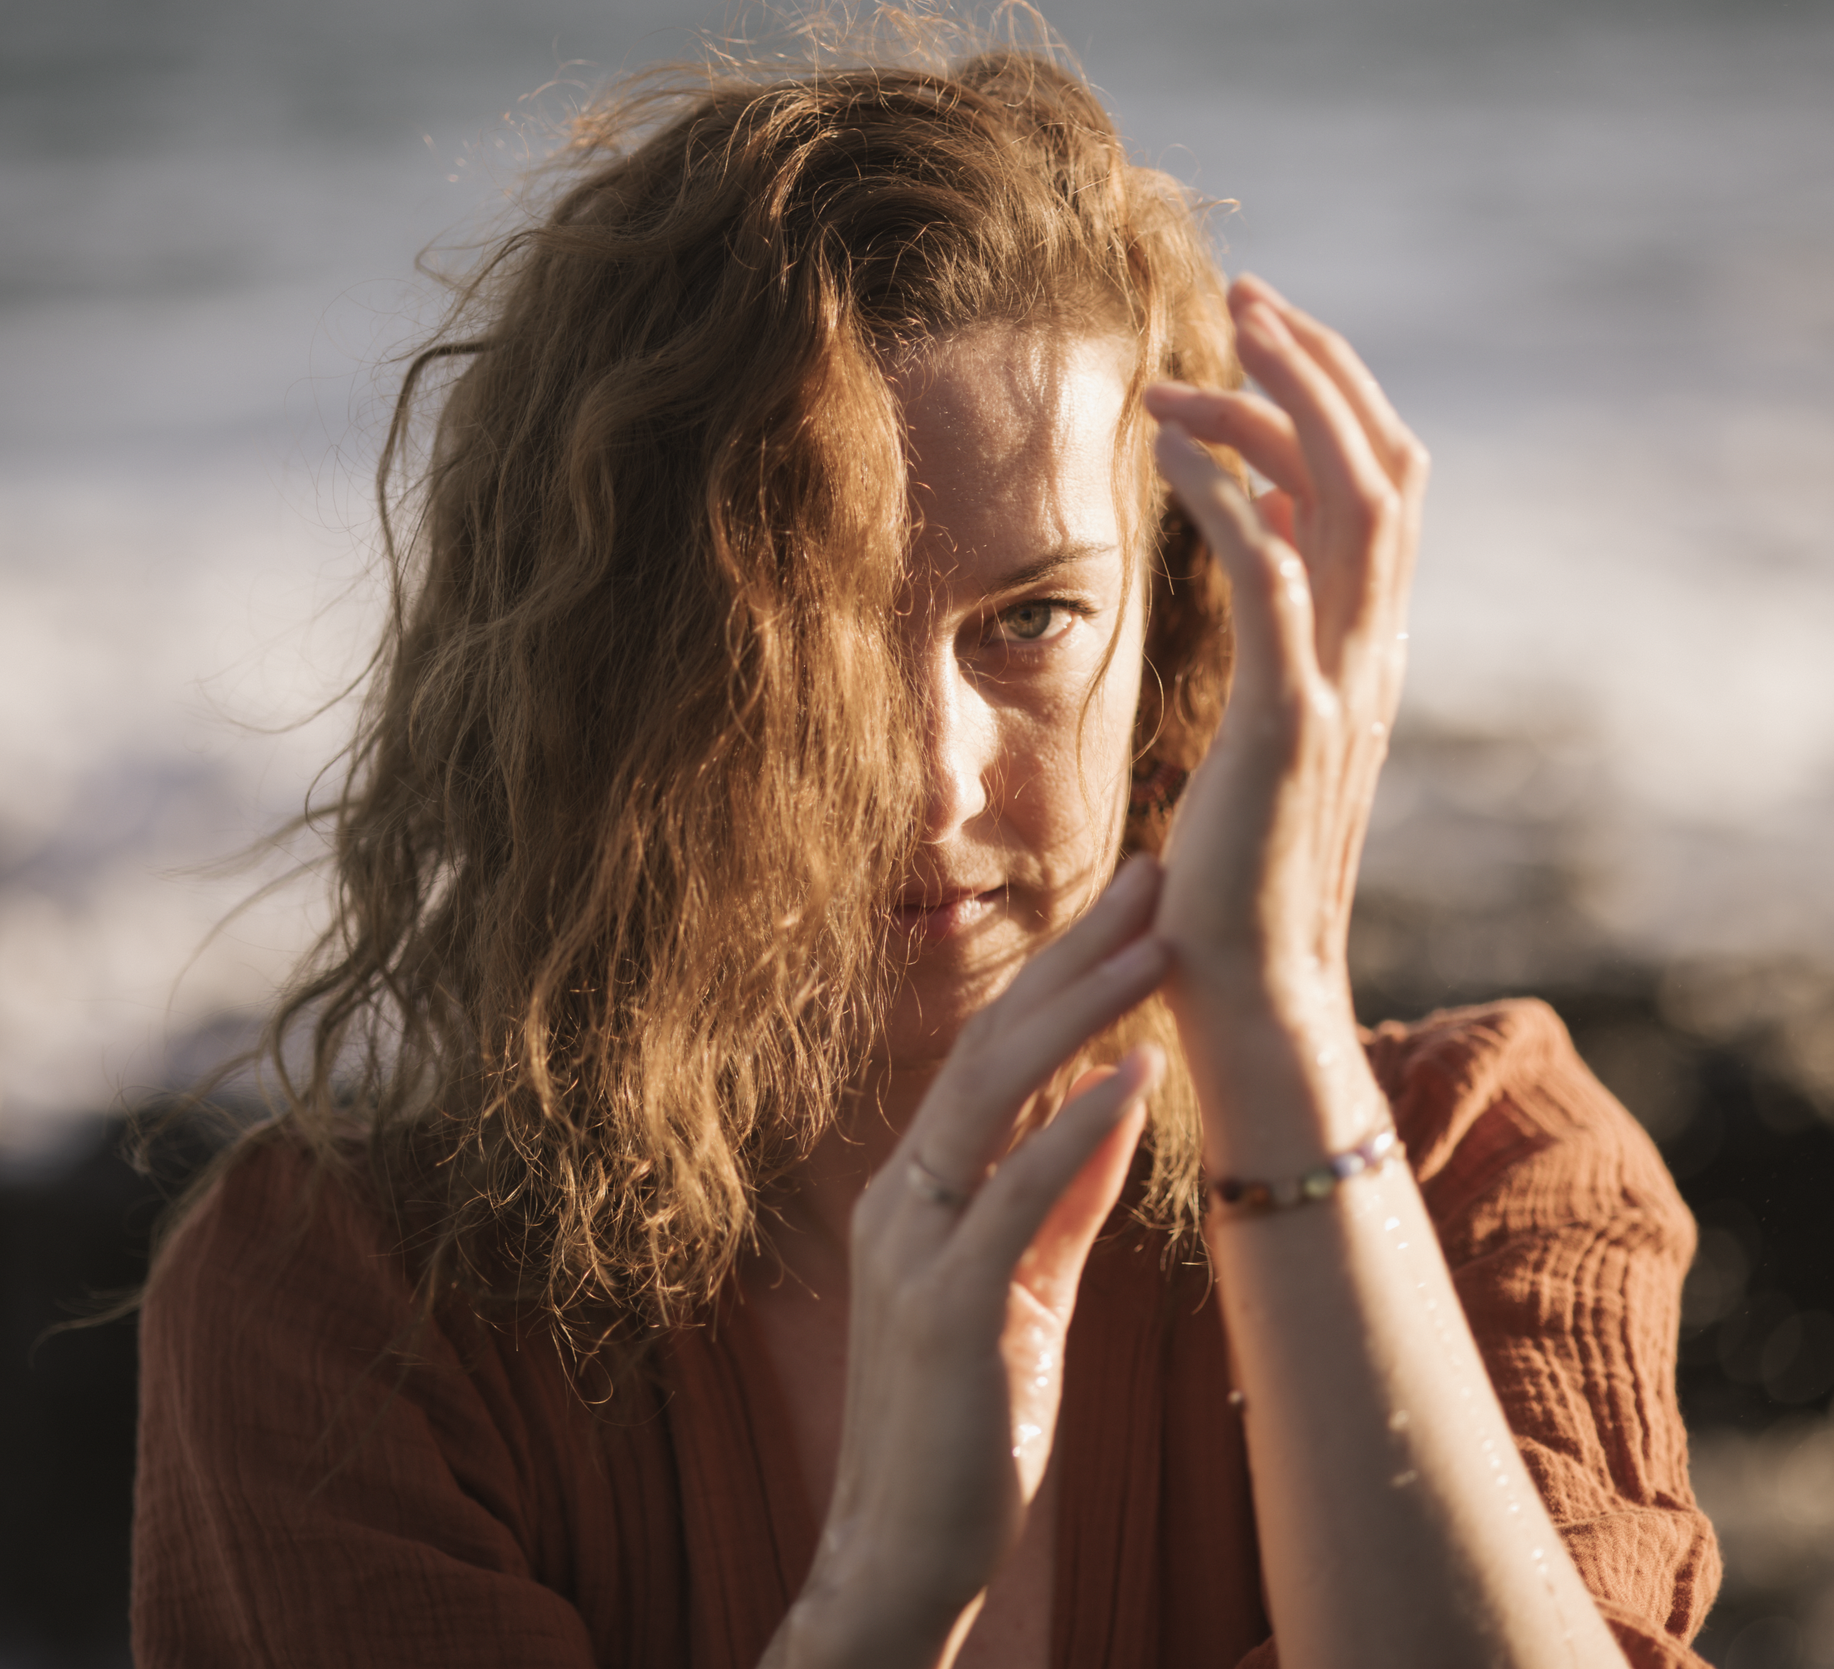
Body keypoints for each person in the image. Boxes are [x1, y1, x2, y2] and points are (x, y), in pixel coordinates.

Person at [131, 20, 1719, 1669]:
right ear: (603, 677)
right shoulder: (343, 1310)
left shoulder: (1477, 1170)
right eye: (801, 642)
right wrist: (879, 1596)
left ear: (1177, 625)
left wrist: (1282, 1034)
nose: (930, 781)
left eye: (1031, 620)